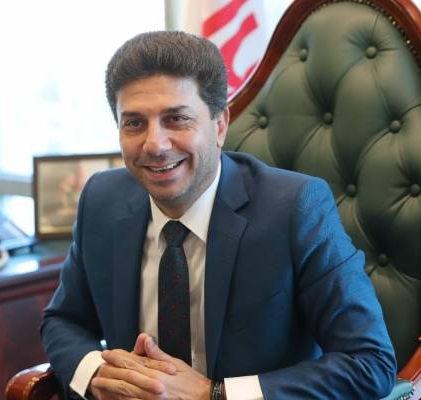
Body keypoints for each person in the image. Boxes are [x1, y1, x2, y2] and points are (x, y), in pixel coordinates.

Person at [41, 31, 396, 399]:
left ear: (220, 125)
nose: (155, 145)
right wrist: (98, 375)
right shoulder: (101, 200)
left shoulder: (295, 209)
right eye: (134, 123)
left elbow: (369, 362)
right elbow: (63, 320)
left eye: (176, 119)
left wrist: (212, 394)